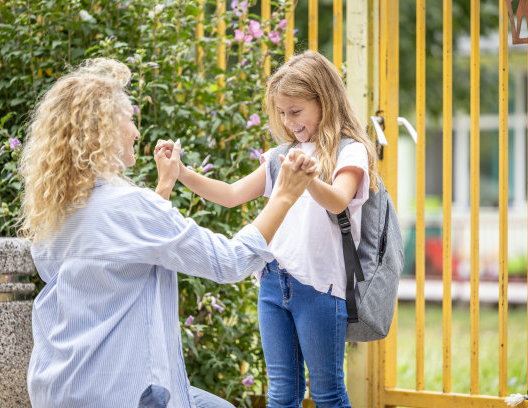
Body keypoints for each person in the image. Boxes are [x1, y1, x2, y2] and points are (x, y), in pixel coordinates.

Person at [18, 57, 317, 408]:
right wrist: (283, 195)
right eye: (130, 119)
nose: (136, 131)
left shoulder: (55, 213)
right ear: (105, 129)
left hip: (58, 386)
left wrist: (164, 188)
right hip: (124, 392)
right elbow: (229, 262)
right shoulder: (129, 207)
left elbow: (120, 260)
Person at [155, 50, 379, 408]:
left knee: (327, 393)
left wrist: (303, 179)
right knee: (280, 392)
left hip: (321, 287)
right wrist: (181, 173)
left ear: (324, 101)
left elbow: (338, 200)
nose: (288, 122)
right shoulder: (280, 157)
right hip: (273, 283)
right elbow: (230, 195)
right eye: (281, 112)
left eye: (296, 111)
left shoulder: (349, 151)